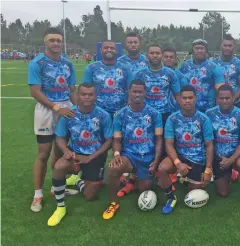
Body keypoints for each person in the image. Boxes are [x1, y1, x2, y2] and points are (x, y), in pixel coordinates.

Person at [47, 83, 112, 226]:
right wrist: (66, 151)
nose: (87, 97)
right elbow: (59, 137)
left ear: (96, 96)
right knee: (59, 166)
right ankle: (60, 207)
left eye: (90, 94)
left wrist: (91, 157)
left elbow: (108, 141)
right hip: (75, 155)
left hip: (94, 157)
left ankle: (78, 181)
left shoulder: (103, 115)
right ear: (78, 95)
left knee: (90, 196)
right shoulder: (69, 114)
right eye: (83, 94)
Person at [119, 45, 180, 195]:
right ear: (147, 55)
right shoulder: (140, 73)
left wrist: (181, 115)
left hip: (165, 114)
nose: (154, 55)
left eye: (157, 53)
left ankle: (160, 176)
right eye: (152, 53)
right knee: (142, 146)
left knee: (163, 146)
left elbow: (177, 95)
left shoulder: (170, 73)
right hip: (142, 115)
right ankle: (134, 178)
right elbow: (132, 94)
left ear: (161, 55)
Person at [28, 27, 77, 212]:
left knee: (60, 152)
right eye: (52, 40)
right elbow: (35, 91)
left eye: (58, 40)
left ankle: (57, 187)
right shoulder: (37, 63)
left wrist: (77, 110)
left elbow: (72, 90)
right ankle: (37, 195)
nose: (56, 43)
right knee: (43, 154)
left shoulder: (67, 64)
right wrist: (57, 108)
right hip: (47, 111)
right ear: (45, 42)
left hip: (66, 109)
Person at [102, 80, 163, 219]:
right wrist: (116, 154)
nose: (137, 94)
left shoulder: (154, 114)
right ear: (128, 92)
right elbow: (117, 139)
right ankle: (113, 203)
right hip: (129, 156)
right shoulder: (120, 115)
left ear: (145, 93)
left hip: (148, 156)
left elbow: (159, 139)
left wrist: (156, 160)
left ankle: (135, 179)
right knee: (113, 168)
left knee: (144, 189)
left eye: (140, 92)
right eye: (134, 91)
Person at [156, 85, 214, 214]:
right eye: (184, 98)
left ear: (196, 99)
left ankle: (185, 178)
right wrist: (177, 163)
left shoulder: (204, 119)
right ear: (179, 100)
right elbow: (169, 144)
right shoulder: (172, 119)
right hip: (180, 156)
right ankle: (171, 197)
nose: (187, 100)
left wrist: (208, 169)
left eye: (190, 97)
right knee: (162, 169)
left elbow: (209, 145)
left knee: (194, 192)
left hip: (197, 159)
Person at [206, 84, 240, 216]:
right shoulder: (209, 114)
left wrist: (231, 160)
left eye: (228, 98)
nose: (225, 101)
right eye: (222, 98)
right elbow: (207, 140)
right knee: (223, 193)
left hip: (237, 155)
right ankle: (232, 174)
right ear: (217, 99)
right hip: (218, 158)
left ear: (233, 98)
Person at [82, 40, 132, 116]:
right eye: (106, 48)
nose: (109, 50)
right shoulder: (91, 68)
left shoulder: (126, 69)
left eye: (112, 48)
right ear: (101, 50)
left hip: (121, 112)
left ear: (116, 51)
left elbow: (131, 90)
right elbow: (84, 91)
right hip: (98, 113)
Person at [179, 39, 225, 112]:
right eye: (197, 48)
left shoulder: (214, 67)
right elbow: (176, 86)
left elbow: (221, 91)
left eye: (202, 48)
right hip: (188, 110)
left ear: (206, 50)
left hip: (208, 110)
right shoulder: (184, 66)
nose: (199, 51)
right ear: (192, 50)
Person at [213, 34, 240, 109]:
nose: (227, 48)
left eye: (230, 46)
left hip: (234, 103)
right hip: (216, 103)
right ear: (221, 46)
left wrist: (233, 99)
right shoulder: (213, 64)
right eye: (225, 45)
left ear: (234, 47)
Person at [162, 46, 188, 112]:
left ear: (175, 59)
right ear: (162, 58)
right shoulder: (155, 74)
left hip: (175, 111)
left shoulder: (181, 77)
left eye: (171, 57)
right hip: (160, 110)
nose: (168, 59)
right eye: (166, 57)